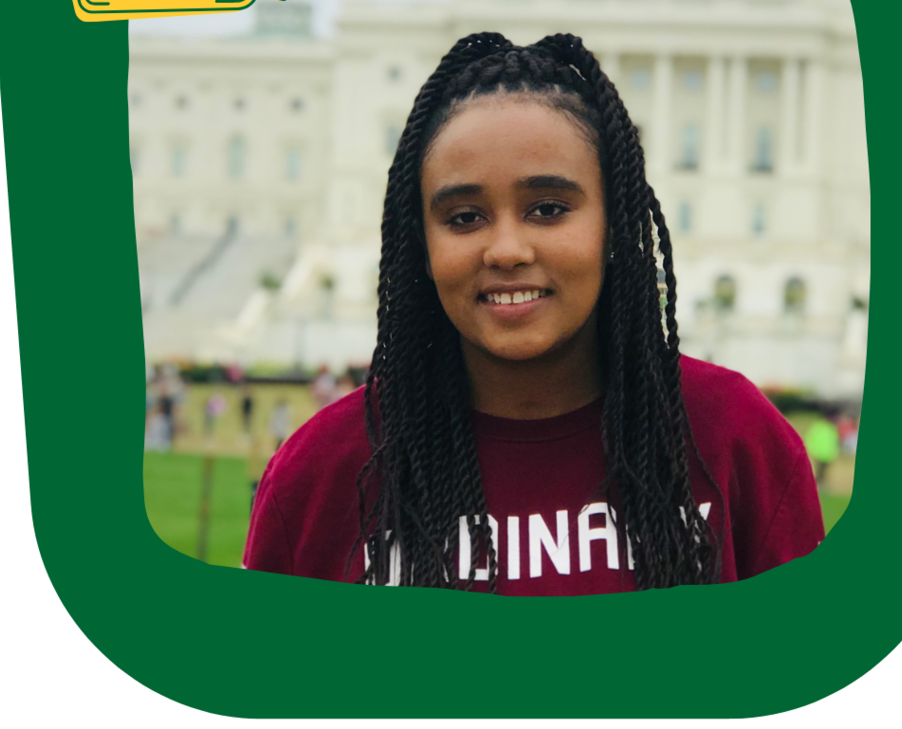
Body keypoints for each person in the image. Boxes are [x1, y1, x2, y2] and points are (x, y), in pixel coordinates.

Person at [244, 32, 823, 594]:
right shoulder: (322, 474)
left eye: (548, 209)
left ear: (613, 225)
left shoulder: (732, 439)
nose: (507, 250)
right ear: (420, 244)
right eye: (464, 217)